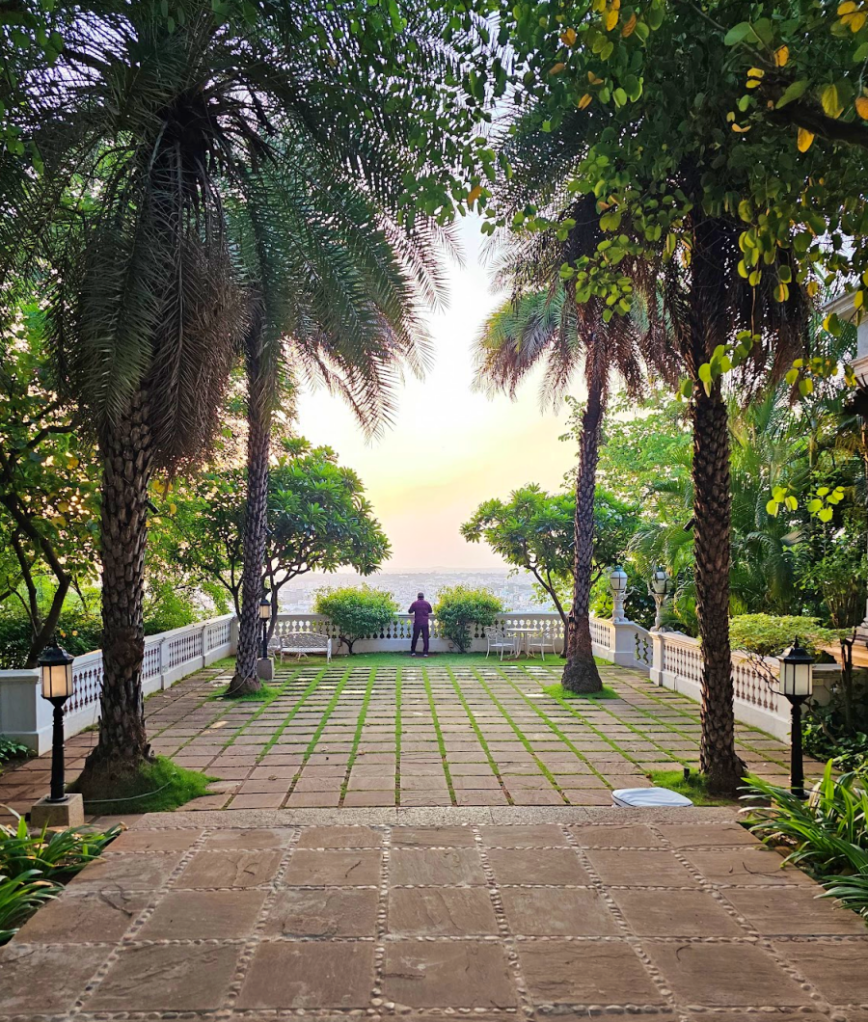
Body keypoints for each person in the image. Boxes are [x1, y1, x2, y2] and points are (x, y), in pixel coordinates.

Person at [408, 591, 433, 657]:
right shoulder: (427, 603)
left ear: (418, 597)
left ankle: (413, 652)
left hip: (417, 622)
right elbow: (430, 611)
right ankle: (425, 653)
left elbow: (410, 611)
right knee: (425, 638)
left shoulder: (415, 603)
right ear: (423, 597)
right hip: (425, 622)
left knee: (415, 637)